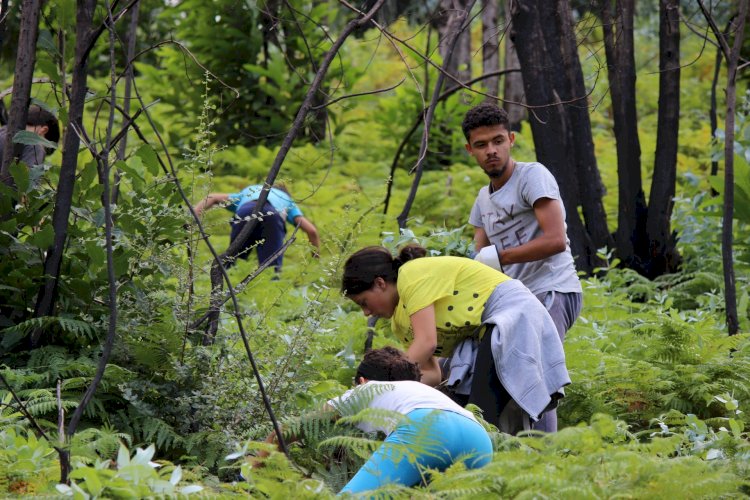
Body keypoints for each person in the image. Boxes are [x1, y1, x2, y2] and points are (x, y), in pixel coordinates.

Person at [341, 245, 570, 436]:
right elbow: (432, 374)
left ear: (380, 283)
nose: (366, 313)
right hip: (482, 336)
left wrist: (380, 389)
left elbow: (427, 342)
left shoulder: (410, 275)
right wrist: (398, 396)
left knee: (480, 415)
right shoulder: (400, 323)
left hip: (511, 313)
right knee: (466, 411)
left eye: (363, 302)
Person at [463, 103, 583, 432]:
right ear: (469, 149)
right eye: (482, 144)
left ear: (511, 139)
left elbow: (556, 239)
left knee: (535, 375)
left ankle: (545, 462)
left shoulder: (533, 176)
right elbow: (480, 257)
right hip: (514, 303)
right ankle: (513, 455)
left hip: (552, 289)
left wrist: (501, 257)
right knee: (505, 376)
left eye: (498, 141)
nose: (492, 151)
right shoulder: (482, 201)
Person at [260, 347, 493, 495]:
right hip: (478, 438)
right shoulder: (416, 391)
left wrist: (254, 472)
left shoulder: (365, 390)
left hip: (427, 428)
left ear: (361, 381)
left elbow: (290, 430)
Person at [194, 184, 320, 272]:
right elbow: (312, 231)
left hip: (245, 211)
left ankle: (225, 299)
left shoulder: (250, 190)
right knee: (270, 270)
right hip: (272, 217)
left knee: (231, 263)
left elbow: (212, 197)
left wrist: (193, 216)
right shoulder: (286, 199)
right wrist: (315, 261)